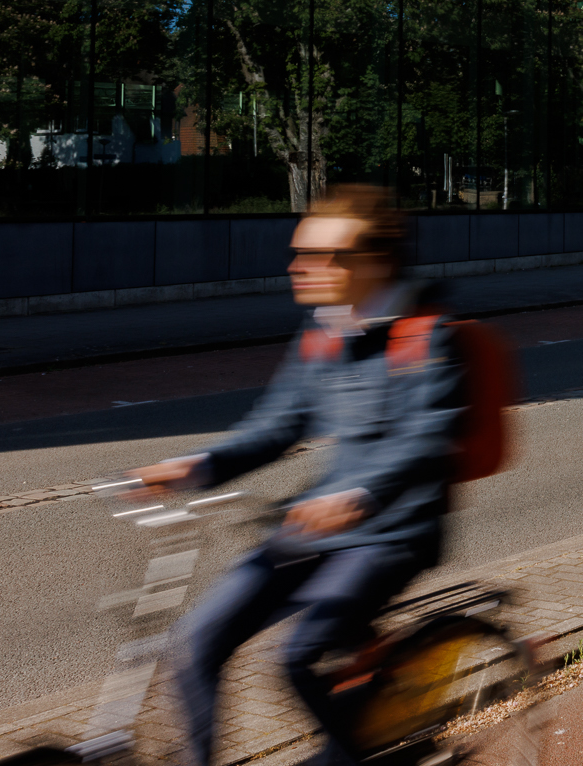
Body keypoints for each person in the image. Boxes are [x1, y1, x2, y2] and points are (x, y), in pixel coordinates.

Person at [132, 186, 467, 766]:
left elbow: (427, 440)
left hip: (393, 533)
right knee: (196, 642)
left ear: (373, 262)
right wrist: (201, 464)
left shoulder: (427, 335)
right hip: (315, 528)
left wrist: (358, 497)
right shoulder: (324, 333)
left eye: (319, 256)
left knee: (296, 658)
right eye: (299, 253)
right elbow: (276, 426)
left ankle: (356, 754)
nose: (298, 267)